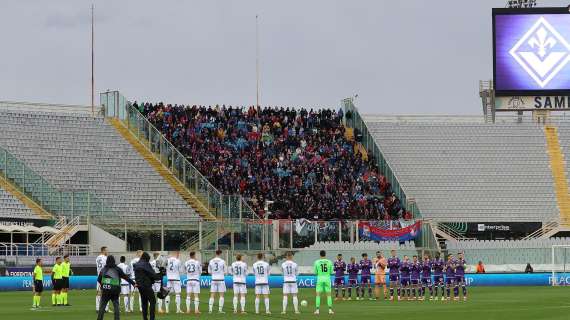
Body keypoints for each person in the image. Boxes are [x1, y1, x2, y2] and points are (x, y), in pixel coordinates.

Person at [97, 255, 136, 320]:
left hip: (105, 290)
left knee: (102, 307)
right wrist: (134, 283)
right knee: (116, 307)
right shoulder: (117, 269)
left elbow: (99, 280)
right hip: (115, 291)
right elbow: (126, 277)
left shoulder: (103, 269)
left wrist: (103, 286)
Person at [134, 252, 164, 320]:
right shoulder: (146, 264)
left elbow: (146, 274)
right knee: (152, 301)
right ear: (146, 258)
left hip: (139, 286)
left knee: (144, 302)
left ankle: (145, 318)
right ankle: (152, 318)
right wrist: (161, 274)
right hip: (146, 286)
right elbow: (153, 275)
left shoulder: (137, 264)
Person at [313, 250, 334, 315]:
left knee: (318, 295)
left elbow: (315, 272)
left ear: (320, 255)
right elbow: (331, 272)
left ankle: (317, 310)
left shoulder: (316, 262)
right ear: (325, 254)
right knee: (329, 295)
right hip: (327, 279)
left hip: (320, 279)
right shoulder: (330, 262)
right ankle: (330, 310)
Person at [208, 249, 227, 314]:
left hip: (214, 279)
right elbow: (225, 272)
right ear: (220, 253)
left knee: (212, 295)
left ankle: (210, 310)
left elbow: (209, 272)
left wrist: (214, 274)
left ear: (215, 253)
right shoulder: (223, 261)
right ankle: (220, 310)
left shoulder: (211, 261)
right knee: (221, 295)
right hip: (221, 279)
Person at [96, 247, 109, 312]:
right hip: (105, 277)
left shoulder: (97, 258)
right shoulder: (105, 258)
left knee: (98, 292)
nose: (107, 251)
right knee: (106, 292)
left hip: (99, 277)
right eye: (106, 250)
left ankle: (98, 308)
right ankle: (105, 308)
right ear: (103, 251)